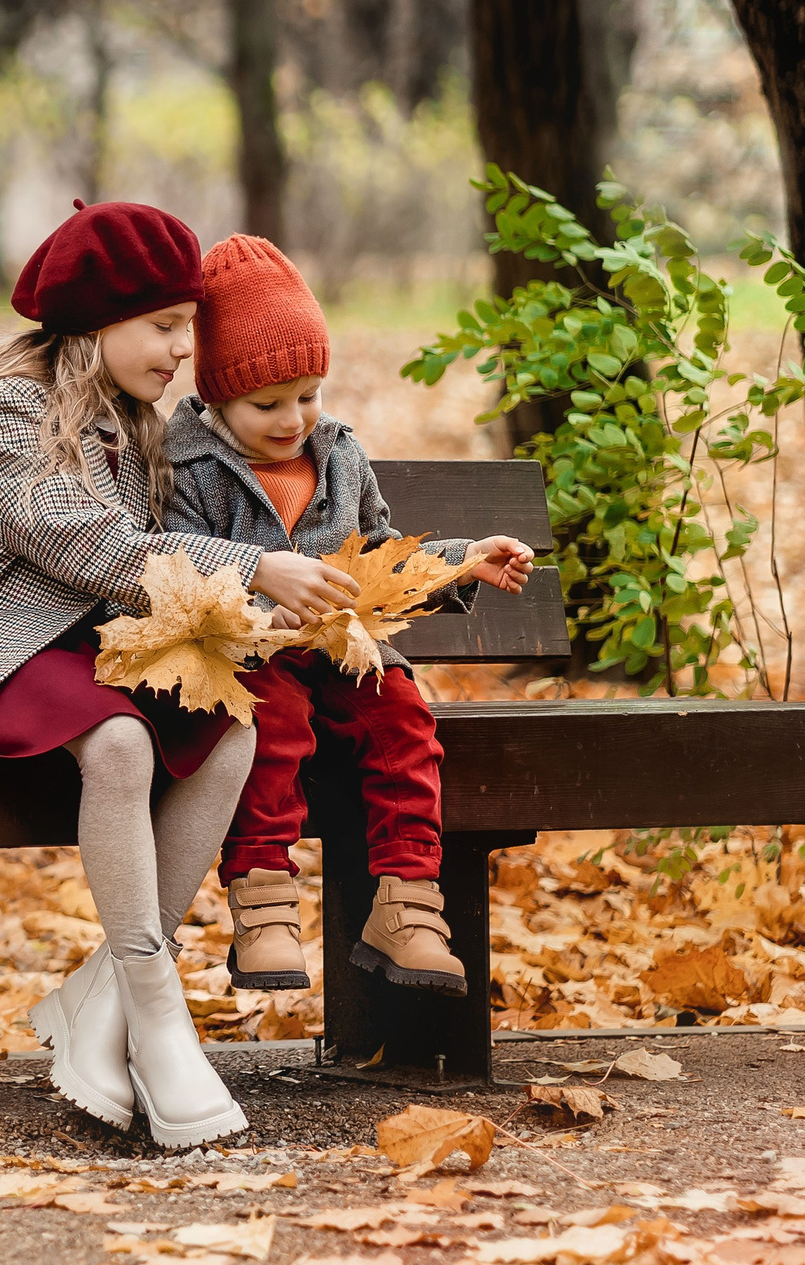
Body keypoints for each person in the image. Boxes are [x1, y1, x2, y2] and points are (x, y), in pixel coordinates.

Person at [0, 200, 355, 1147]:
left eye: (185, 328)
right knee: (118, 742)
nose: (181, 350)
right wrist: (253, 569)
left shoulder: (133, 419)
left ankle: (105, 1004)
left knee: (228, 725)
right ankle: (157, 1013)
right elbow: (85, 545)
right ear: (96, 321)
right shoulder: (7, 411)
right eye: (164, 327)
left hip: (84, 648)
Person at [164, 235, 534, 996]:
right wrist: (251, 616)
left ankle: (405, 907)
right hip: (258, 656)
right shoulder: (190, 468)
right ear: (217, 396)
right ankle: (264, 905)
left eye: (308, 395)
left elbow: (384, 560)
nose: (292, 418)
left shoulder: (339, 456)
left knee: (406, 726)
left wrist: (462, 560)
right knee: (270, 731)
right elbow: (176, 568)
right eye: (266, 404)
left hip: (350, 651)